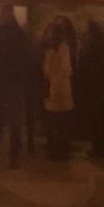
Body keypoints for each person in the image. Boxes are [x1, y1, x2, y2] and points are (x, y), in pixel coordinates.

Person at [0, 14, 36, 167]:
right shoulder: (19, 37)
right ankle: (10, 159)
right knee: (11, 122)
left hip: (4, 83)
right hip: (10, 83)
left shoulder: (3, 40)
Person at [77, 16, 104, 158]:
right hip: (97, 87)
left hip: (96, 88)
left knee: (98, 118)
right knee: (98, 119)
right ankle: (100, 145)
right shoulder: (99, 48)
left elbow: (93, 68)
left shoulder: (95, 51)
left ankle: (100, 146)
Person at [40, 17, 76, 159]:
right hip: (57, 87)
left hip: (58, 86)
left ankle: (60, 149)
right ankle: (58, 148)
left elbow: (57, 69)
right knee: (58, 120)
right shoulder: (58, 49)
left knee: (59, 121)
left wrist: (50, 73)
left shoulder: (61, 49)